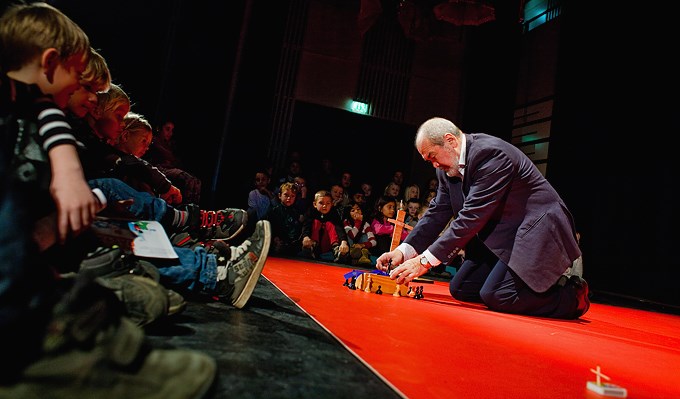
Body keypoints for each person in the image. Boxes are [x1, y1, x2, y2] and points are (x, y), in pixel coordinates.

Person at [0, 3, 216, 396]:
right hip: (21, 286)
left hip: (38, 259)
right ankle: (37, 360)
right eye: (80, 80)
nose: (93, 99)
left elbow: (44, 112)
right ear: (50, 64)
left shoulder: (34, 107)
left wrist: (66, 171)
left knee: (144, 296)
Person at [376, 117, 589, 320]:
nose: (434, 165)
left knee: (497, 295)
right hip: (507, 233)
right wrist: (403, 251)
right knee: (461, 288)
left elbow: (471, 217)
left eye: (433, 156)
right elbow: (436, 213)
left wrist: (423, 261)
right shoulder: (445, 170)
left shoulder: (492, 154)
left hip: (537, 228)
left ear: (450, 140)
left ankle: (571, 296)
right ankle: (515, 285)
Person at [144, 119, 203, 205]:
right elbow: (169, 157)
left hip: (170, 168)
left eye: (171, 130)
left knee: (197, 181)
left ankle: (194, 208)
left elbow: (177, 161)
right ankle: (186, 207)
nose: (170, 133)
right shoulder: (154, 140)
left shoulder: (170, 144)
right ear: (159, 128)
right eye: (167, 129)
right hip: (159, 168)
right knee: (187, 179)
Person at [301, 190, 349, 262]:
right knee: (316, 222)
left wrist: (343, 242)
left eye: (328, 203)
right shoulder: (311, 211)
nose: (324, 206)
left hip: (328, 244)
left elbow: (339, 228)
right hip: (312, 242)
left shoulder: (334, 213)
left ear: (332, 204)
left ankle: (336, 250)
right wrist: (305, 237)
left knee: (330, 224)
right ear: (315, 204)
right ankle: (310, 249)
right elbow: (306, 225)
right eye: (321, 203)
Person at [266, 182, 304, 256]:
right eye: (286, 195)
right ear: (280, 196)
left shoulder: (297, 212)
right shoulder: (274, 211)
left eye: (292, 196)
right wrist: (275, 238)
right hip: (278, 242)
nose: (289, 198)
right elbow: (270, 228)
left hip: (292, 243)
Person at [342, 200, 377, 266]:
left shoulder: (365, 224)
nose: (356, 211)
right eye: (353, 211)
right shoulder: (346, 222)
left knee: (364, 236)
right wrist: (358, 222)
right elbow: (352, 235)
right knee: (347, 236)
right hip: (351, 247)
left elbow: (373, 241)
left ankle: (363, 256)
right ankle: (351, 256)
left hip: (361, 247)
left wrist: (362, 245)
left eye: (358, 209)